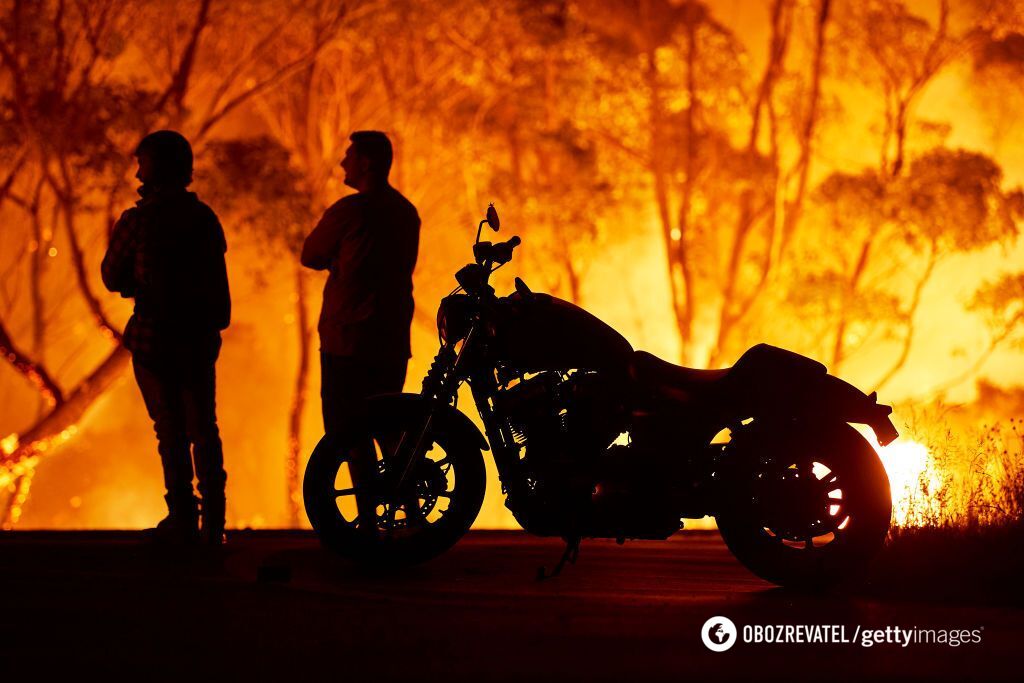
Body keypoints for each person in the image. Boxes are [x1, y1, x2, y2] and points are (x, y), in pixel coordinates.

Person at [101, 130, 231, 545]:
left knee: (170, 431)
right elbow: (216, 283)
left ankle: (181, 518)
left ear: (155, 168)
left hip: (154, 340)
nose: (137, 170)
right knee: (203, 429)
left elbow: (110, 275)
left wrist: (135, 286)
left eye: (143, 162)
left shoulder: (139, 221)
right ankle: (213, 520)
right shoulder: (203, 219)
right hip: (197, 339)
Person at [301, 131, 420, 531]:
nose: (342, 163)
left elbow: (311, 253)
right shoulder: (406, 212)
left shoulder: (349, 212)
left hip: (346, 340)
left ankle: (368, 519)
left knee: (348, 429)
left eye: (349, 156)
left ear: (367, 162)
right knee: (388, 426)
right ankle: (412, 512)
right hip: (390, 339)